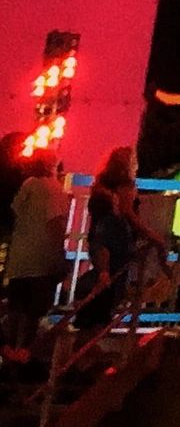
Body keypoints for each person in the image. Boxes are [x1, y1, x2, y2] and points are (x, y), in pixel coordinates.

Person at [74, 146, 151, 333]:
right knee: (112, 285)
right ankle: (98, 324)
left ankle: (90, 324)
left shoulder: (101, 186)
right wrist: (151, 236)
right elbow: (128, 214)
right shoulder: (123, 188)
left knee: (105, 280)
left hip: (100, 241)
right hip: (116, 240)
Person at [4, 153, 70, 364]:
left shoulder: (28, 184)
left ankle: (8, 352)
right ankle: (23, 355)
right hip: (41, 261)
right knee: (35, 312)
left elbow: (15, 211)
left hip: (19, 259)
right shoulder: (54, 189)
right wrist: (61, 255)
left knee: (15, 310)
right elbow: (55, 223)